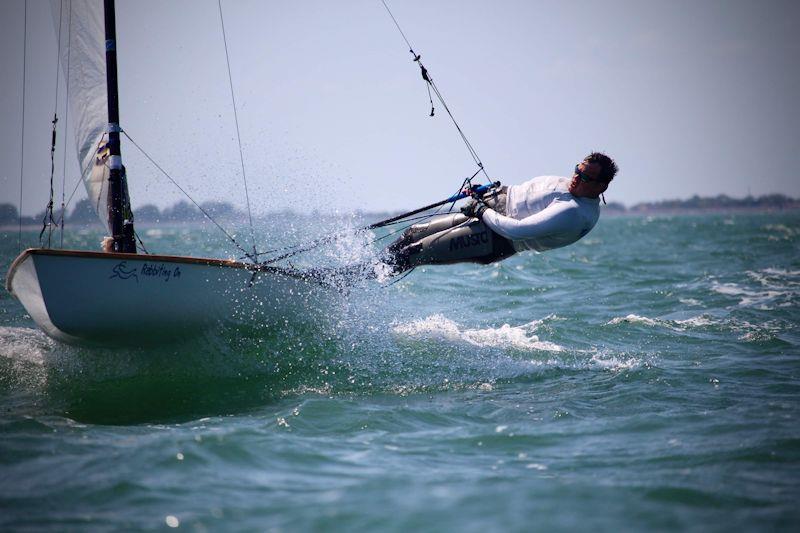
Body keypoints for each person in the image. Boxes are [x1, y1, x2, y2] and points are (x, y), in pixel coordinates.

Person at [382, 152, 618, 274]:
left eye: (585, 177)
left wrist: (481, 209)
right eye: (578, 170)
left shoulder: (574, 213)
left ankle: (350, 282)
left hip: (496, 238)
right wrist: (492, 192)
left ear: (601, 187)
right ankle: (356, 271)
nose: (577, 177)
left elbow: (517, 230)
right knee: (412, 233)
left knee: (413, 253)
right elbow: (523, 194)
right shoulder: (567, 184)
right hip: (488, 211)